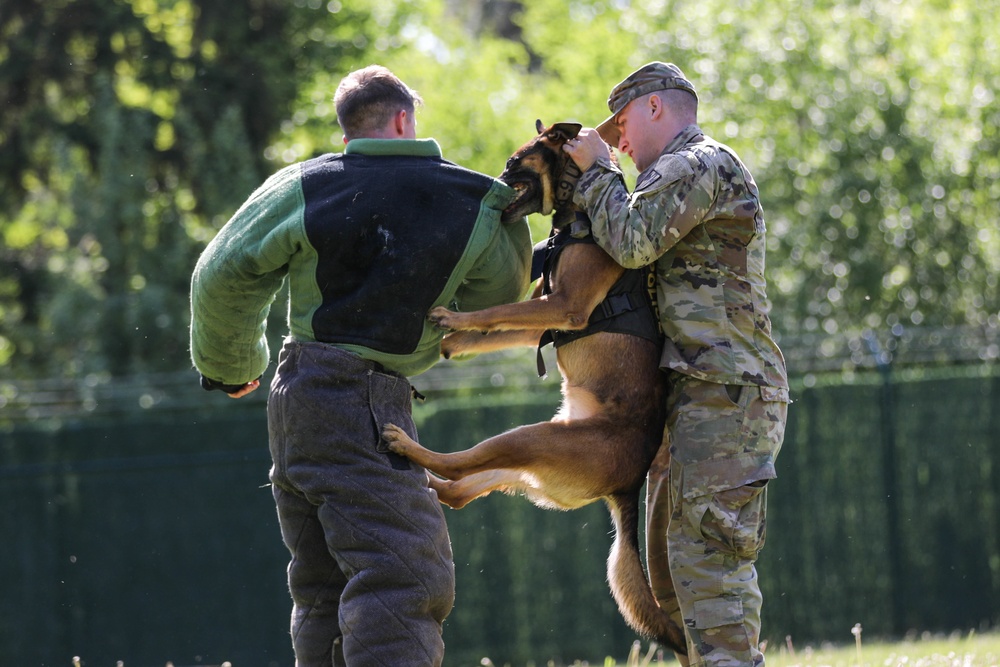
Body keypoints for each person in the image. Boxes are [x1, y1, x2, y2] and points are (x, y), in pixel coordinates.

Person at [189, 65, 531, 666]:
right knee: (406, 575)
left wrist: (233, 364)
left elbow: (222, 272)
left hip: (295, 397)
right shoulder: (471, 199)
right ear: (404, 119)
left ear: (348, 133)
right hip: (364, 403)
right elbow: (497, 300)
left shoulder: (306, 184)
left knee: (323, 589)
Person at [563, 62, 789, 667]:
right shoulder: (676, 173)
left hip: (727, 396)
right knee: (671, 577)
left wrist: (598, 174)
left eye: (622, 126)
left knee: (709, 570)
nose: (618, 142)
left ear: (656, 108)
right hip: (695, 398)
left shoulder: (699, 163)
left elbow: (632, 238)